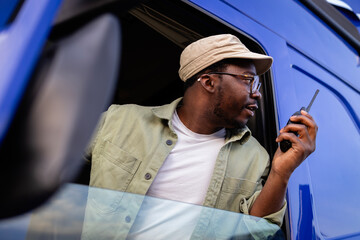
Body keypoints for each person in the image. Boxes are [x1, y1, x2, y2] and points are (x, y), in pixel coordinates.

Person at [85, 34, 318, 227]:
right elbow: (52, 161)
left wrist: (281, 173)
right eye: (248, 80)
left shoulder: (256, 158)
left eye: (256, 83)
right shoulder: (120, 120)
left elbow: (257, 232)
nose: (257, 93)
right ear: (208, 82)